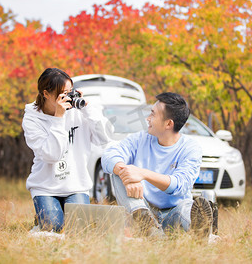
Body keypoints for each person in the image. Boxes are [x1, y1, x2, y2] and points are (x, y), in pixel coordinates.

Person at [101, 92, 213, 238]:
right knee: (118, 171)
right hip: (143, 207)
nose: (148, 119)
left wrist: (142, 174)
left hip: (174, 212)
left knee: (186, 209)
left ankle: (202, 229)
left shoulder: (190, 148)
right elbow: (108, 155)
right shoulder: (140, 138)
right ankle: (148, 226)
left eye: (153, 115)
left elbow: (179, 185)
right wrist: (128, 176)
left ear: (168, 124)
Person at [23, 68, 111, 232]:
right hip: (45, 186)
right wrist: (58, 118)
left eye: (70, 92)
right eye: (62, 94)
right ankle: (43, 217)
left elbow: (104, 138)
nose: (68, 98)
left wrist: (87, 109)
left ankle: (49, 215)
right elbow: (52, 155)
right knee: (54, 227)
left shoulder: (79, 112)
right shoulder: (32, 118)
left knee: (78, 229)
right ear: (46, 94)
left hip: (76, 184)